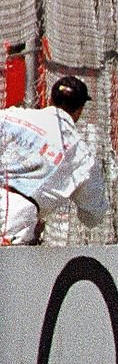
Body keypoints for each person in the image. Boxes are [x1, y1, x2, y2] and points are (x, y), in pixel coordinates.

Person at [1, 76, 109, 245]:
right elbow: (93, 215)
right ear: (80, 109)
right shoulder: (81, 154)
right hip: (15, 216)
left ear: (50, 100)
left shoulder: (12, 116)